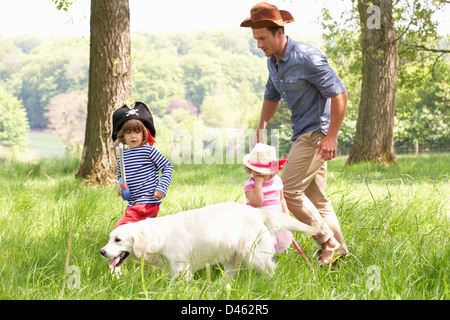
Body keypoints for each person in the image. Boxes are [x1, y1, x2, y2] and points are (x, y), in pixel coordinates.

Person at [241, 2, 348, 265]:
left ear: (279, 32)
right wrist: (261, 126)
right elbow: (271, 94)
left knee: (287, 189)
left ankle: (327, 242)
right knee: (317, 199)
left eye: (262, 38)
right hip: (301, 132)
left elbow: (339, 92)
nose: (259, 45)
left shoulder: (307, 57)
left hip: (316, 133)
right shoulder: (273, 62)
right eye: (256, 39)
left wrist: (331, 135)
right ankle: (340, 254)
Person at [111, 102, 173, 229]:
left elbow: (167, 166)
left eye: (137, 132)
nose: (133, 136)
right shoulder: (122, 155)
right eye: (128, 132)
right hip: (133, 203)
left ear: (144, 133)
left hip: (147, 203)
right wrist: (119, 186)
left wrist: (162, 188)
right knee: (141, 231)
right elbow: (120, 176)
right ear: (122, 135)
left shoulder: (148, 150)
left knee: (120, 230)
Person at [243, 143, 292, 254]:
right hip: (257, 224)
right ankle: (249, 268)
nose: (261, 174)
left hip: (273, 223)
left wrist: (286, 215)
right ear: (251, 170)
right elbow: (258, 202)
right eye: (258, 171)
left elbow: (281, 199)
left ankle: (269, 267)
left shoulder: (277, 181)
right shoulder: (250, 185)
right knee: (254, 248)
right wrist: (258, 185)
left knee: (271, 248)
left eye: (265, 172)